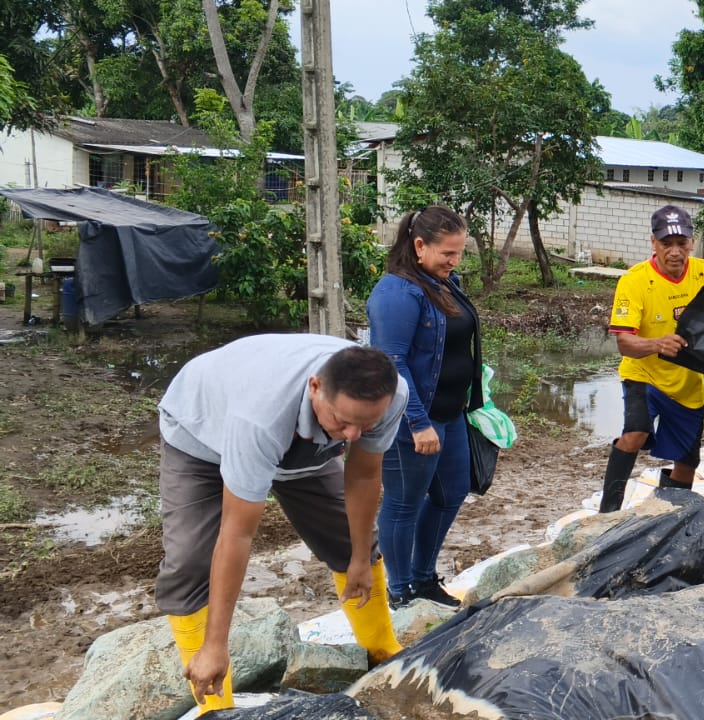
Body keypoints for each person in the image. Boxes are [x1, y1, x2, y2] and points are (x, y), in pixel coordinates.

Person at [155, 335, 406, 714]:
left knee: (350, 537)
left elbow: (364, 475)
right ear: (315, 388)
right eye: (343, 421)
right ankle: (215, 705)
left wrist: (358, 559)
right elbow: (237, 534)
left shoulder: (389, 394)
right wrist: (215, 645)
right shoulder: (260, 417)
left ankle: (383, 648)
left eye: (365, 425)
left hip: (299, 437)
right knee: (190, 562)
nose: (353, 436)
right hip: (201, 434)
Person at [367, 205, 479, 609]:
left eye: (459, 252)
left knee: (453, 492)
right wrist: (417, 422)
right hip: (412, 419)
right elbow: (392, 362)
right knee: (403, 503)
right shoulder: (397, 294)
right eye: (447, 253)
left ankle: (423, 578)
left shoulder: (444, 283)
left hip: (450, 413)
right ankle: (400, 592)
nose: (455, 261)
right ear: (419, 246)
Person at [598, 205, 704, 513]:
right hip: (644, 374)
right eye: (666, 244)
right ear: (654, 243)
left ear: (692, 242)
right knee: (634, 434)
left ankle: (668, 514)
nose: (675, 252)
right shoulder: (634, 281)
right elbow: (625, 343)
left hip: (688, 380)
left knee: (687, 462)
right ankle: (607, 512)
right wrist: (657, 344)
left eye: (682, 243)